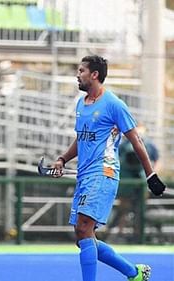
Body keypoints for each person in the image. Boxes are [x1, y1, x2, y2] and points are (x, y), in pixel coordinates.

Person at [50, 55, 166, 281]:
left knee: (84, 229)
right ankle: (135, 273)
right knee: (82, 236)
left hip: (104, 173)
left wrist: (150, 174)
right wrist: (63, 159)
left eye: (82, 70)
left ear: (94, 75)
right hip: (85, 175)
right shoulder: (81, 104)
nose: (78, 74)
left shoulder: (114, 104)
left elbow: (136, 141)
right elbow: (81, 139)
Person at [108, 123, 159, 242]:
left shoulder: (149, 145)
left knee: (141, 208)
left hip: (141, 177)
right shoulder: (124, 145)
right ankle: (120, 233)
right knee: (124, 207)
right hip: (126, 177)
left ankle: (139, 233)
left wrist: (151, 173)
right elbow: (114, 157)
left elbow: (156, 159)